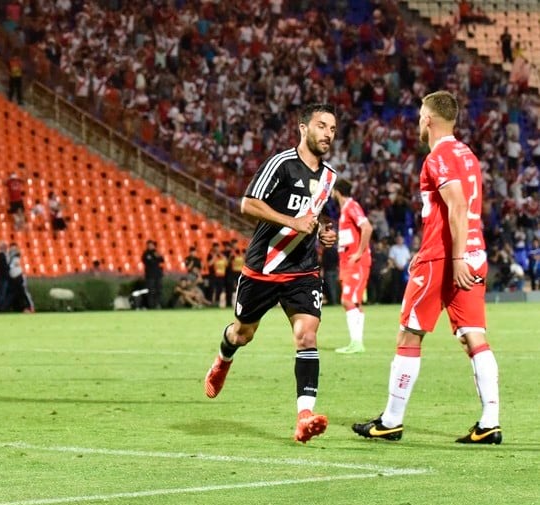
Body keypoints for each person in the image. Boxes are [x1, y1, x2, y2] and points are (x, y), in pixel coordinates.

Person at [353, 91, 502, 445]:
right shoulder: (468, 155)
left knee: (409, 334)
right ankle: (490, 422)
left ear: (429, 120)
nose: (419, 121)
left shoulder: (438, 157)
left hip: (443, 257)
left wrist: (455, 258)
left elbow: (457, 204)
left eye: (421, 115)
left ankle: (390, 421)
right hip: (475, 253)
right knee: (474, 336)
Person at [203, 103, 339, 444]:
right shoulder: (280, 164)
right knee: (242, 334)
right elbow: (248, 203)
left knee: (307, 335)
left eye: (333, 129)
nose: (328, 134)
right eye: (321, 126)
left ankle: (304, 416)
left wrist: (323, 231)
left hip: (303, 270)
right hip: (263, 267)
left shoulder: (329, 177)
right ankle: (223, 359)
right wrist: (293, 222)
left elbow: (316, 214)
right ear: (303, 128)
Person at [332, 179, 373, 354]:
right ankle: (356, 342)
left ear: (337, 191)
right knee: (354, 302)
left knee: (347, 300)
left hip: (356, 262)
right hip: (348, 263)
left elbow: (367, 227)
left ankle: (356, 343)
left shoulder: (351, 206)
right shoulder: (344, 210)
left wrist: (358, 253)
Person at [141, 240, 164, 309]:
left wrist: (158, 256)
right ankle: (151, 306)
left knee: (158, 290)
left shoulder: (156, 252)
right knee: (151, 291)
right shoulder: (145, 253)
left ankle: (157, 305)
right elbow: (149, 262)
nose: (151, 246)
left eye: (152, 245)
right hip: (150, 275)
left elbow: (162, 260)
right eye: (149, 245)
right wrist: (155, 259)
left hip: (158, 275)